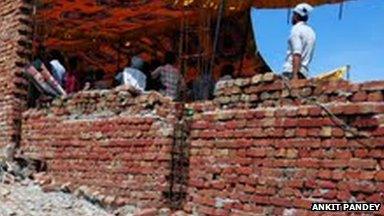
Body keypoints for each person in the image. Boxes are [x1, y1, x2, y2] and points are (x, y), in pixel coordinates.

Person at [282, 3, 316, 80]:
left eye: (293, 14)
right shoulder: (311, 32)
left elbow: (297, 53)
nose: (292, 17)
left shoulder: (296, 30)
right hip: (304, 73)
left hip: (291, 72)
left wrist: (295, 76)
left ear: (296, 16)